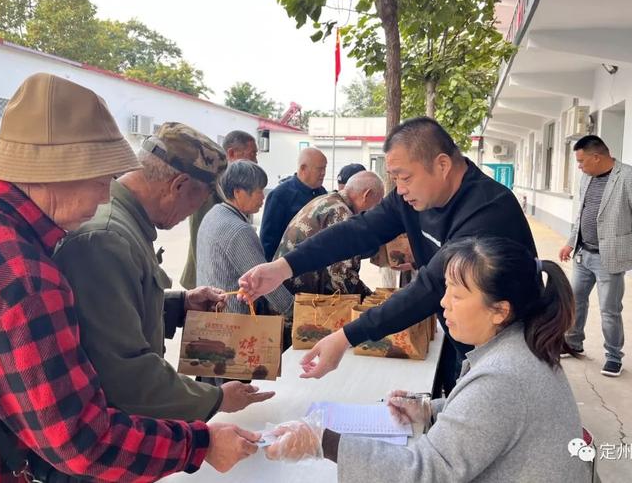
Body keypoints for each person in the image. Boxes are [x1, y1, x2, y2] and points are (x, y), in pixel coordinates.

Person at [0, 73, 258, 482]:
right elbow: (83, 440)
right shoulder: (33, 274)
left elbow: (94, 316)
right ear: (56, 172)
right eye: (102, 179)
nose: (105, 195)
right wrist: (200, 440)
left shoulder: (13, 232)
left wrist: (176, 304)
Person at [239, 117, 536, 389]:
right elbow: (358, 230)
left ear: (442, 165)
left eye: (405, 177)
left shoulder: (487, 212)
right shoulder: (412, 197)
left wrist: (345, 337)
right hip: (462, 333)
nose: (400, 189)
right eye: (395, 179)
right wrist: (282, 267)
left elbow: (429, 287)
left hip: (505, 349)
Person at [263, 237, 591, 483]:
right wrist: (431, 410)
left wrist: (321, 441)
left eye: (458, 295)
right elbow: (491, 420)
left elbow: (425, 472)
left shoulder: (503, 377)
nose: (444, 303)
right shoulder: (521, 345)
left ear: (499, 311)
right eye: (445, 289)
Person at [53, 122, 274, 423]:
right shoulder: (108, 239)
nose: (192, 214)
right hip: (110, 434)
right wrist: (216, 398)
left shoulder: (124, 224)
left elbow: (119, 311)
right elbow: (124, 371)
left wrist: (179, 303)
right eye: (201, 200)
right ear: (179, 185)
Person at [558, 135, 632, 377]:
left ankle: (613, 356)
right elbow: (582, 214)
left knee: (609, 310)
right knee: (575, 301)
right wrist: (571, 243)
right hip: (583, 254)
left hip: (608, 258)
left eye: (581, 161)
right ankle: (573, 342)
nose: (579, 166)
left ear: (597, 157)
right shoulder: (586, 178)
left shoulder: (631, 179)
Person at [197, 160, 293, 323]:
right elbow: (265, 280)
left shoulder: (213, 214)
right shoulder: (238, 230)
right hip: (233, 321)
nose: (263, 197)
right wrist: (296, 311)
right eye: (258, 191)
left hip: (210, 314)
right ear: (238, 192)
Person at [275, 171, 384, 296]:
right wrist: (374, 300)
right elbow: (342, 278)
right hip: (294, 302)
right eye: (378, 204)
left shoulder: (328, 200)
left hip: (286, 292)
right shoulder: (342, 213)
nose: (377, 211)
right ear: (367, 195)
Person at [181, 130, 258, 289]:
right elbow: (201, 235)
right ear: (231, 153)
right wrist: (203, 281)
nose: (255, 161)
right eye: (252, 154)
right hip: (207, 279)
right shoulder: (210, 185)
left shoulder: (238, 185)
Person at [259, 147, 327, 261]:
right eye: (319, 169)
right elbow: (268, 241)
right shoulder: (280, 195)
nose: (323, 173)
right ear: (303, 168)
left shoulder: (322, 192)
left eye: (325, 168)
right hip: (288, 265)